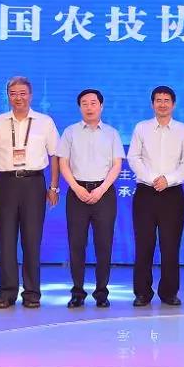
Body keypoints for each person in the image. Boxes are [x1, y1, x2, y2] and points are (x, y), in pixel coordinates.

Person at [0, 76, 60, 309]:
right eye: (13, 93)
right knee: (6, 240)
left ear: (30, 95)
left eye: (22, 93)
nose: (18, 98)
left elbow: (55, 155)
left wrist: (53, 187)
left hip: (34, 184)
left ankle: (32, 293)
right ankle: (6, 293)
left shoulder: (44, 122)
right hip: (6, 183)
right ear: (8, 96)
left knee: (32, 240)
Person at [127, 85, 184, 307]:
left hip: (172, 194)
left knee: (170, 246)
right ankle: (142, 292)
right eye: (158, 100)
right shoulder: (141, 128)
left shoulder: (183, 130)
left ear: (173, 104)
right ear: (152, 104)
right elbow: (134, 157)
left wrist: (169, 179)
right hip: (146, 193)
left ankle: (169, 292)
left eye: (166, 100)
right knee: (144, 245)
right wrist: (154, 178)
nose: (162, 104)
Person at [58, 88, 124, 309]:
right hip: (77, 192)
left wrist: (101, 189)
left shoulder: (112, 133)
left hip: (104, 193)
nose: (89, 107)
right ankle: (77, 292)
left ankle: (101, 292)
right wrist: (76, 188)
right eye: (84, 103)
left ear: (101, 106)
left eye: (93, 103)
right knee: (76, 244)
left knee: (103, 245)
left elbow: (117, 165)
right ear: (79, 107)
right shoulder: (70, 132)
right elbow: (63, 163)